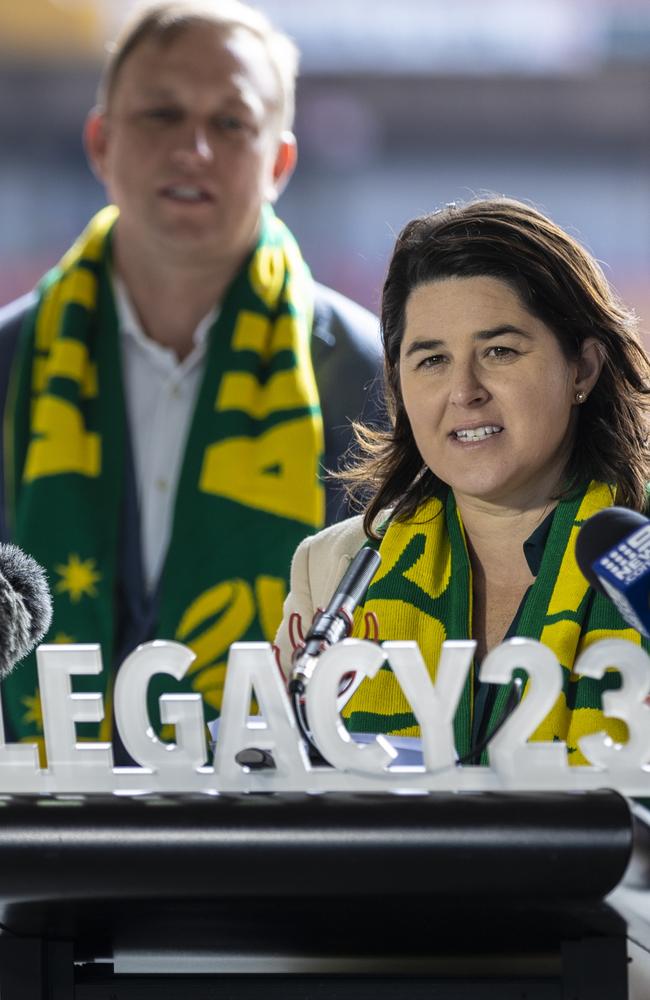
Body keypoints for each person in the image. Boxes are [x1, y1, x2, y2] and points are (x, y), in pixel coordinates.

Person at [0, 0, 381, 750]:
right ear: (101, 143)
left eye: (231, 123)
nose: (194, 149)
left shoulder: (376, 377)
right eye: (161, 115)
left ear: (279, 162)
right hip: (37, 844)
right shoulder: (7, 363)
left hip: (284, 838)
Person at [275, 196, 650, 766]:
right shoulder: (334, 567)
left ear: (583, 368)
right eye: (432, 360)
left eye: (499, 351)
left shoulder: (638, 559)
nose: (465, 390)